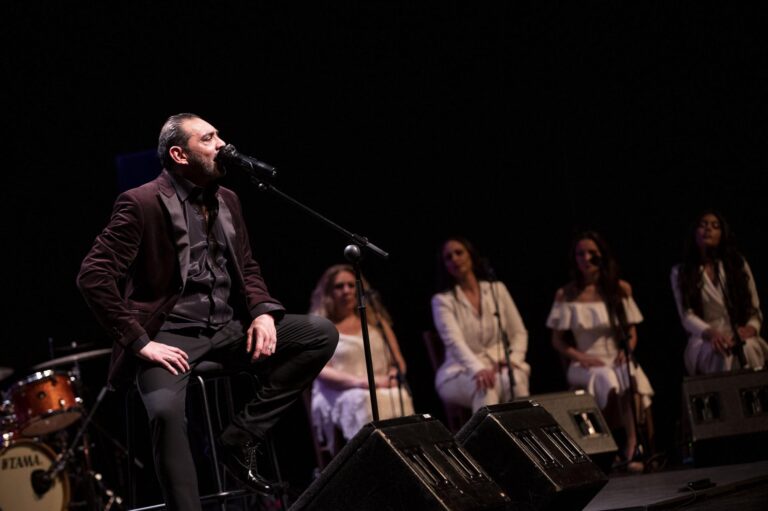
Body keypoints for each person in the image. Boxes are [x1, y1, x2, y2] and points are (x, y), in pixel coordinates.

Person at [77, 113, 338, 511]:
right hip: (169, 336)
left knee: (319, 334)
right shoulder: (141, 202)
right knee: (164, 414)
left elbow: (247, 267)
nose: (222, 144)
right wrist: (140, 342)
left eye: (219, 135)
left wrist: (263, 313)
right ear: (180, 154)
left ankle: (240, 438)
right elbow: (92, 276)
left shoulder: (228, 198)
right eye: (209, 138)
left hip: (226, 329)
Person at [546, 231, 653, 471]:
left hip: (615, 356)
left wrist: (628, 351)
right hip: (584, 361)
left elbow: (631, 331)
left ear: (602, 256)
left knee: (630, 375)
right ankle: (607, 447)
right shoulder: (566, 294)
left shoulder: (619, 289)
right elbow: (557, 341)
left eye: (592, 253)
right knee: (605, 377)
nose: (586, 258)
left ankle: (633, 446)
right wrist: (580, 357)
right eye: (580, 254)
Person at [308, 264, 413, 453]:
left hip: (380, 386)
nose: (346, 291)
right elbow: (321, 371)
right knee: (363, 399)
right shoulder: (321, 328)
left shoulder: (375, 322)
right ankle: (371, 457)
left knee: (400, 395)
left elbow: (398, 361)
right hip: (338, 392)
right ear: (328, 293)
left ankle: (404, 456)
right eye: (339, 286)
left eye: (351, 285)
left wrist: (393, 375)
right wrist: (363, 382)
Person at [431, 236, 530, 414]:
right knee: (485, 386)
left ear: (470, 255)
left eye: (458, 253)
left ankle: (523, 436)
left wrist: (513, 360)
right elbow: (454, 342)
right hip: (460, 371)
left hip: (499, 365)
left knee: (514, 379)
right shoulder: (442, 301)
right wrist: (478, 369)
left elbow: (519, 333)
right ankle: (487, 441)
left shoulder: (496, 289)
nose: (454, 259)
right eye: (448, 257)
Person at [671, 210, 768, 375]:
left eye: (715, 226)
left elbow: (754, 309)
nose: (708, 228)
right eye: (703, 225)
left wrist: (751, 328)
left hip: (738, 333)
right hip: (704, 338)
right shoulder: (681, 272)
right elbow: (687, 315)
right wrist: (712, 334)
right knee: (719, 353)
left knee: (749, 349)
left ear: (722, 235)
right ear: (695, 232)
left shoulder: (738, 265)